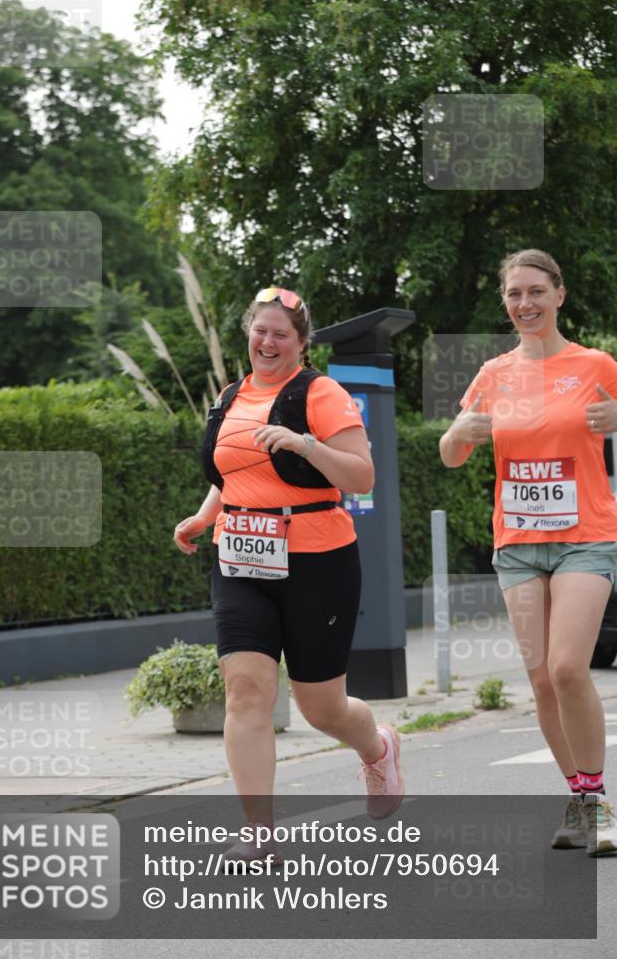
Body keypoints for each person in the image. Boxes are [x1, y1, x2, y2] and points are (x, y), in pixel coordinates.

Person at [174, 287, 405, 864]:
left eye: (281, 334)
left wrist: (305, 444)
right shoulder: (230, 396)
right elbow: (233, 473)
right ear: (248, 334)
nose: (268, 342)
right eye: (261, 330)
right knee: (245, 692)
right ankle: (260, 831)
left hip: (317, 562)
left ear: (302, 343)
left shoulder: (321, 394)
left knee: (321, 708)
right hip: (240, 560)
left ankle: (377, 748)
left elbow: (361, 477)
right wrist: (205, 516)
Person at [439, 249, 617, 856]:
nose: (525, 303)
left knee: (567, 667)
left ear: (559, 295)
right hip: (517, 544)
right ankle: (581, 798)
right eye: (515, 294)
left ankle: (598, 801)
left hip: (585, 536)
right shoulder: (493, 374)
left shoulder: (594, 364)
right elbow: (451, 454)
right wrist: (456, 433)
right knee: (541, 680)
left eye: (536, 291)